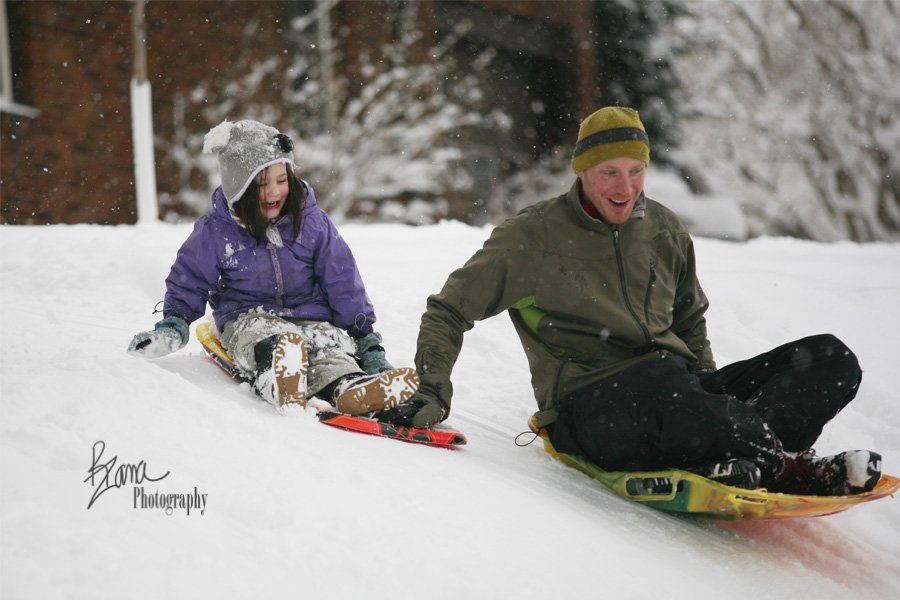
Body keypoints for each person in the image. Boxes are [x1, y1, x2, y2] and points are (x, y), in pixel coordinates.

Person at [381, 106, 882, 496]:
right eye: (610, 173)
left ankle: (740, 451)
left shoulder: (663, 229)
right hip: (589, 409)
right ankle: (790, 467)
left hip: (674, 392)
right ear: (582, 172)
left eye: (636, 171)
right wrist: (433, 391)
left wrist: (708, 402)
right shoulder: (532, 238)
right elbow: (449, 309)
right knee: (664, 382)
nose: (626, 188)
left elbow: (689, 318)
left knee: (830, 357)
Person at [128, 119, 419, 415]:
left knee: (329, 348)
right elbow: (190, 279)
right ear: (238, 187)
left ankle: (349, 387)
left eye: (281, 180)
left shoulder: (312, 222)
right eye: (261, 184)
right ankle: (278, 380)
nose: (274, 192)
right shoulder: (216, 231)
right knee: (274, 342)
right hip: (249, 317)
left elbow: (341, 278)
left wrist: (365, 338)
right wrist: (174, 324)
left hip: (311, 316)